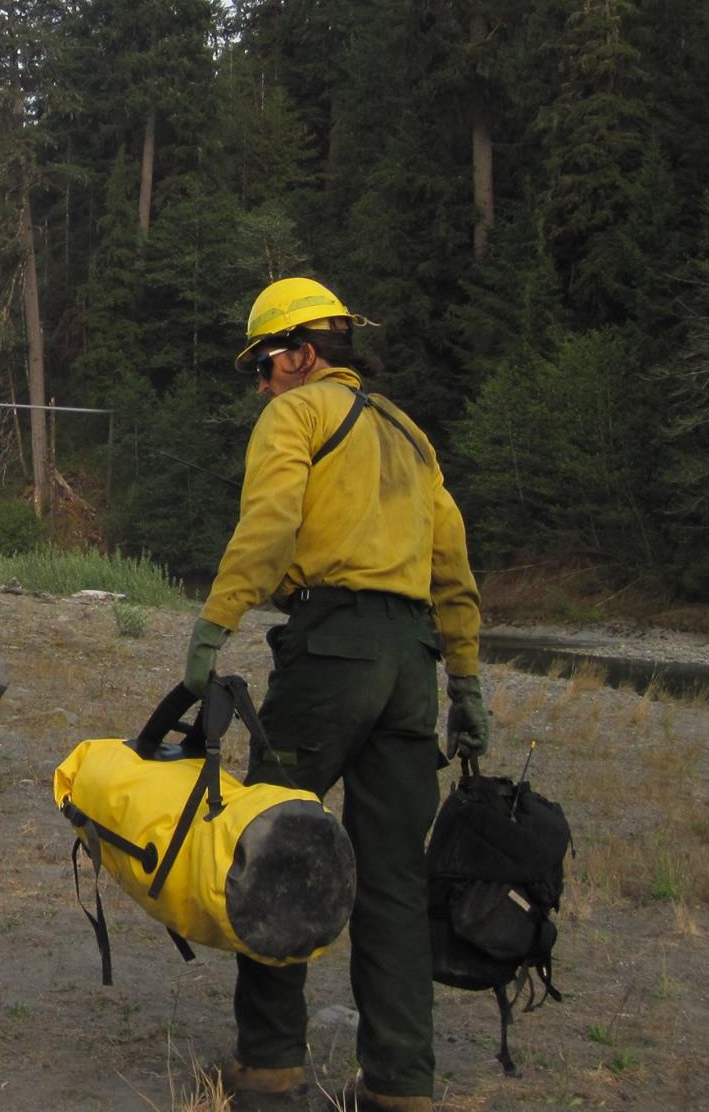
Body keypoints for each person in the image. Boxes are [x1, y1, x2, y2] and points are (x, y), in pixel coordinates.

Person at [183, 279, 486, 1112]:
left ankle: (271, 1071)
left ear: (305, 354)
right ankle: (399, 1087)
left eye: (265, 364)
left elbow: (271, 523)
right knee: (393, 880)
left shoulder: (298, 415)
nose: (260, 383)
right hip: (412, 668)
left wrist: (213, 628)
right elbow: (453, 569)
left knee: (276, 851)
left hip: (330, 653)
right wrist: (466, 682)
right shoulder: (412, 436)